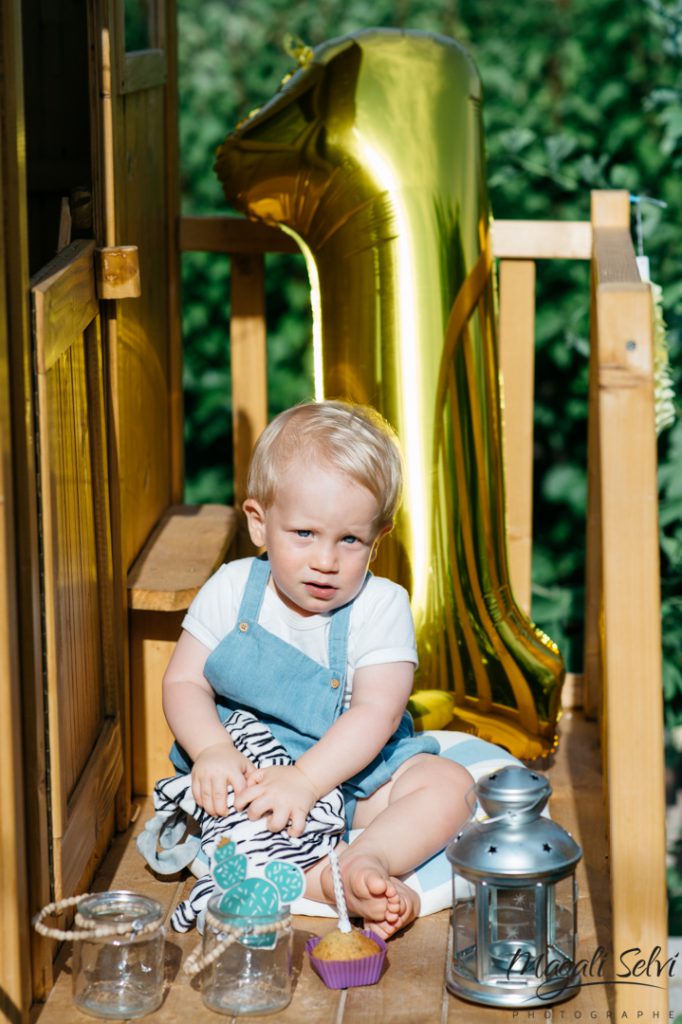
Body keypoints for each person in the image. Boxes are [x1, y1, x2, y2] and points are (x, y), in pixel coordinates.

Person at [162, 400, 473, 938]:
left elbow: (377, 712)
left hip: (357, 780)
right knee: (223, 837)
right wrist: (213, 750)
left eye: (350, 540)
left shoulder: (381, 606)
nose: (326, 560)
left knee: (452, 786)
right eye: (304, 534)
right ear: (260, 523)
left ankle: (364, 860)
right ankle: (322, 882)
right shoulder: (233, 589)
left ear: (378, 537)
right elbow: (184, 680)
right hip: (255, 778)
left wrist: (307, 780)